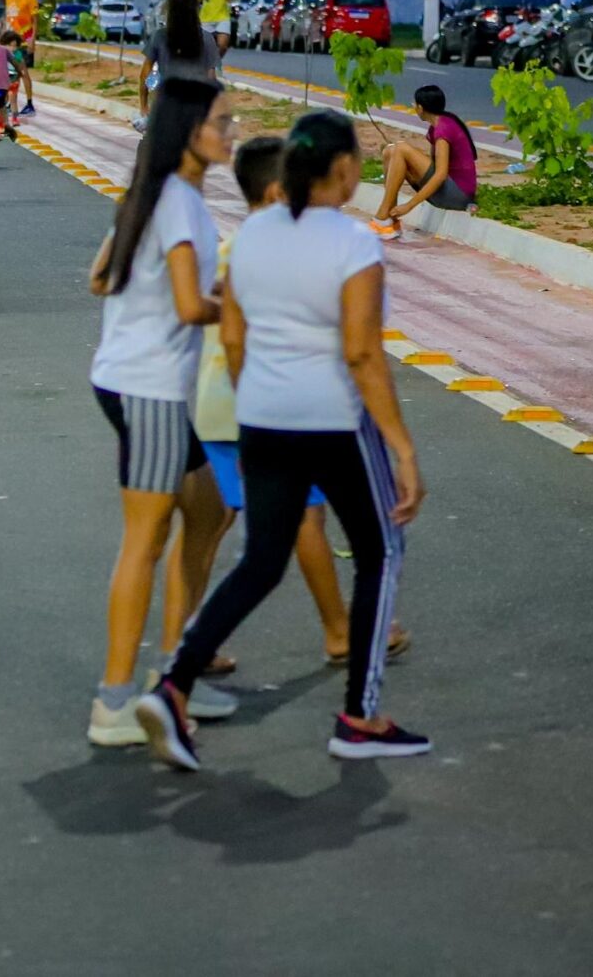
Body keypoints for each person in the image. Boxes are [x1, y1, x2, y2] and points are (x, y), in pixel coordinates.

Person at [136, 109, 430, 769]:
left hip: (262, 416)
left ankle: (172, 686)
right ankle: (360, 716)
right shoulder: (354, 244)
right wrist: (403, 447)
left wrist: (257, 407)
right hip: (334, 418)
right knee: (381, 550)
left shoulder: (254, 235)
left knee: (262, 560)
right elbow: (362, 354)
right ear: (344, 171)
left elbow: (234, 337)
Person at [84, 78, 233, 748]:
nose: (232, 133)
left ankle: (175, 674)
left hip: (140, 383)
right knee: (145, 540)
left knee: (208, 511)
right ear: (189, 131)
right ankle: (115, 702)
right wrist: (245, 305)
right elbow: (190, 306)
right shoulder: (176, 203)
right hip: (147, 388)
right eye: (222, 122)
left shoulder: (158, 194)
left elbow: (100, 278)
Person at [371, 83, 477, 236]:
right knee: (390, 151)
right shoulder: (438, 125)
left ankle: (382, 217)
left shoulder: (443, 129)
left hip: (458, 195)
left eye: (414, 103)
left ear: (420, 108)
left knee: (401, 148)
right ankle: (390, 221)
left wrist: (409, 205)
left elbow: (440, 174)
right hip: (449, 189)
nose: (413, 106)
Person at [136, 0, 224, 129]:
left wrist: (144, 105)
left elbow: (146, 74)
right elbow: (211, 77)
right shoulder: (207, 38)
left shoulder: (159, 36)